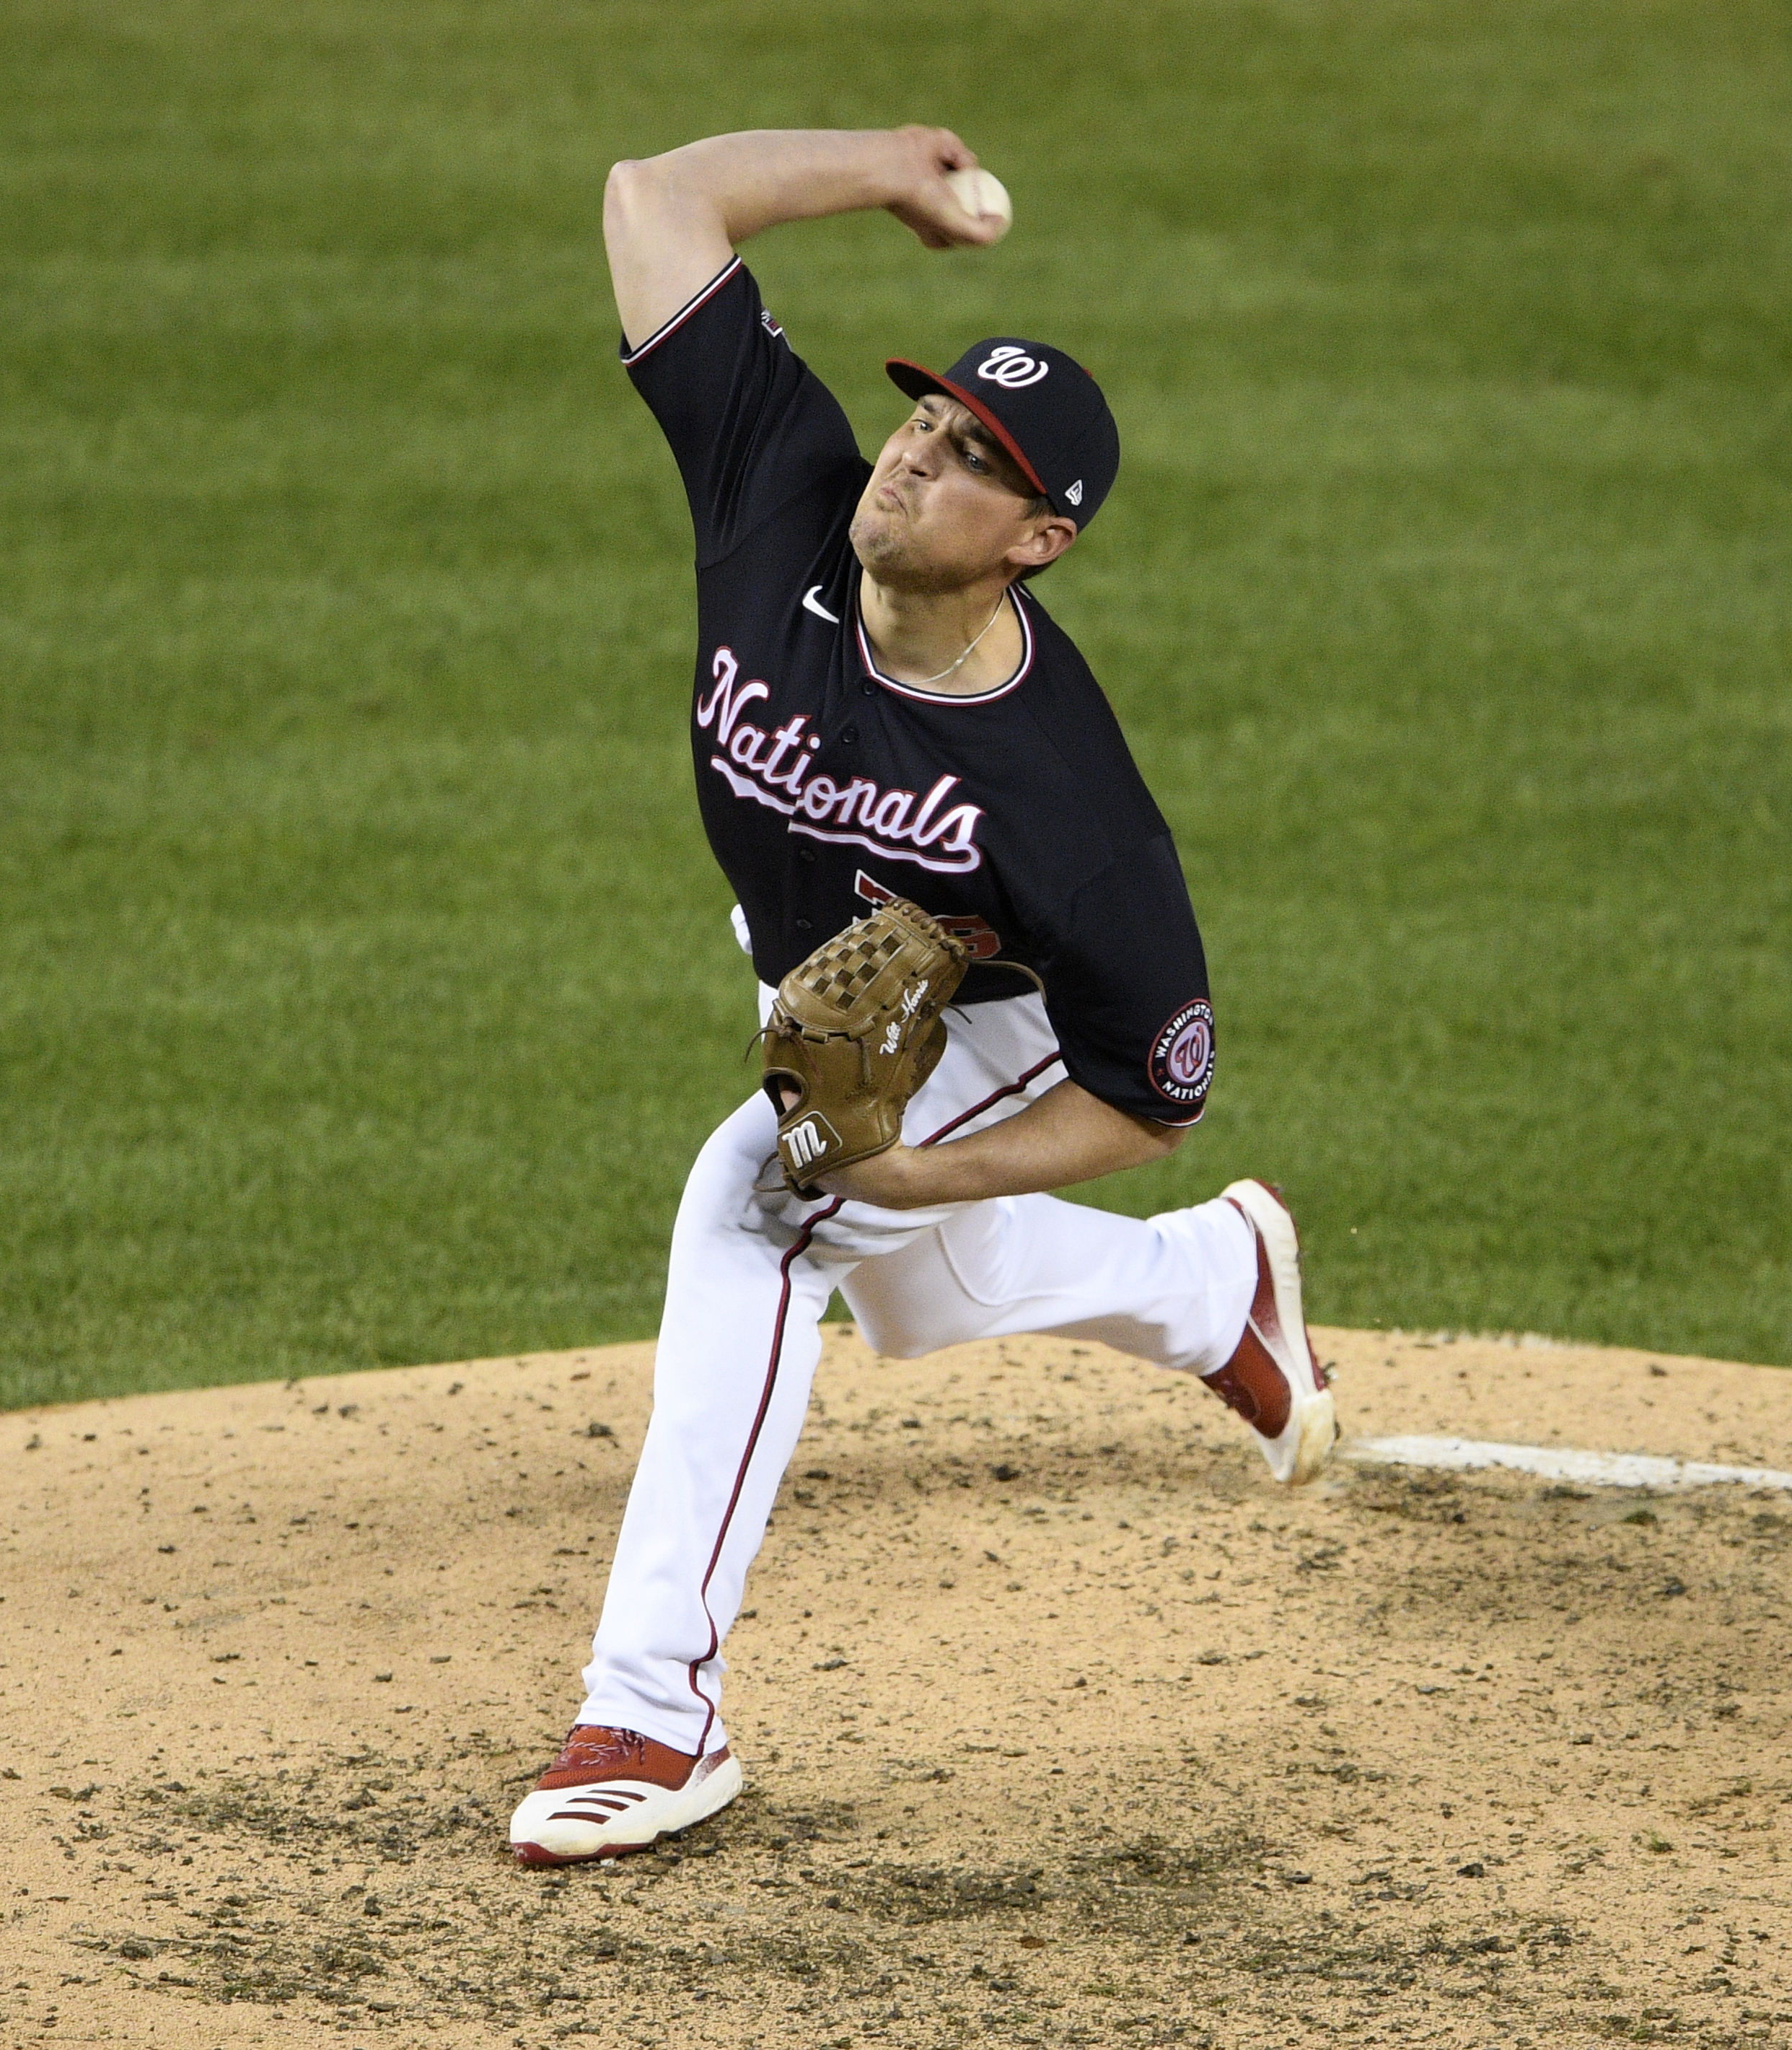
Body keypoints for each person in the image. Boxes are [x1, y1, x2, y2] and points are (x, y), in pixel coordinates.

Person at [508, 126, 1340, 1867]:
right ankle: (1215, 1285)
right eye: (929, 417)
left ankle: (653, 1709)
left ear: (1036, 538)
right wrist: (890, 164)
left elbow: (1152, 1086)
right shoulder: (780, 486)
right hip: (832, 982)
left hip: (983, 1022)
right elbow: (651, 196)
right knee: (929, 1292)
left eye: (976, 462)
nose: (917, 456)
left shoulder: (1069, 809)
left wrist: (922, 1164)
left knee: (761, 1202)